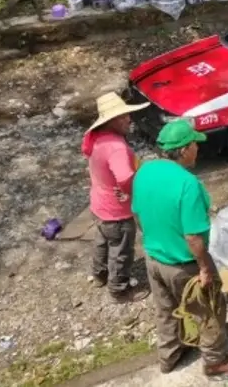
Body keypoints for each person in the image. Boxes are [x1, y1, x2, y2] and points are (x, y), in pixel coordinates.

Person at [132, 120, 228, 376]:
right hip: (184, 265)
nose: (198, 148)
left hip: (154, 259)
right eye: (195, 144)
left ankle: (169, 357)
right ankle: (215, 361)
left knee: (165, 310)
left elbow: (137, 214)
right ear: (184, 149)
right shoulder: (188, 184)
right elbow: (193, 237)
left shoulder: (144, 172)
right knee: (209, 311)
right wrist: (205, 268)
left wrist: (152, 241)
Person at [82, 92, 151, 303]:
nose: (129, 119)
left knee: (102, 242)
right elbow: (125, 177)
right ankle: (118, 290)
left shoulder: (97, 139)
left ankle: (99, 274)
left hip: (99, 205)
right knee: (121, 250)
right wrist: (134, 192)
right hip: (117, 212)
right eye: (123, 117)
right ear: (111, 121)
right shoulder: (117, 148)